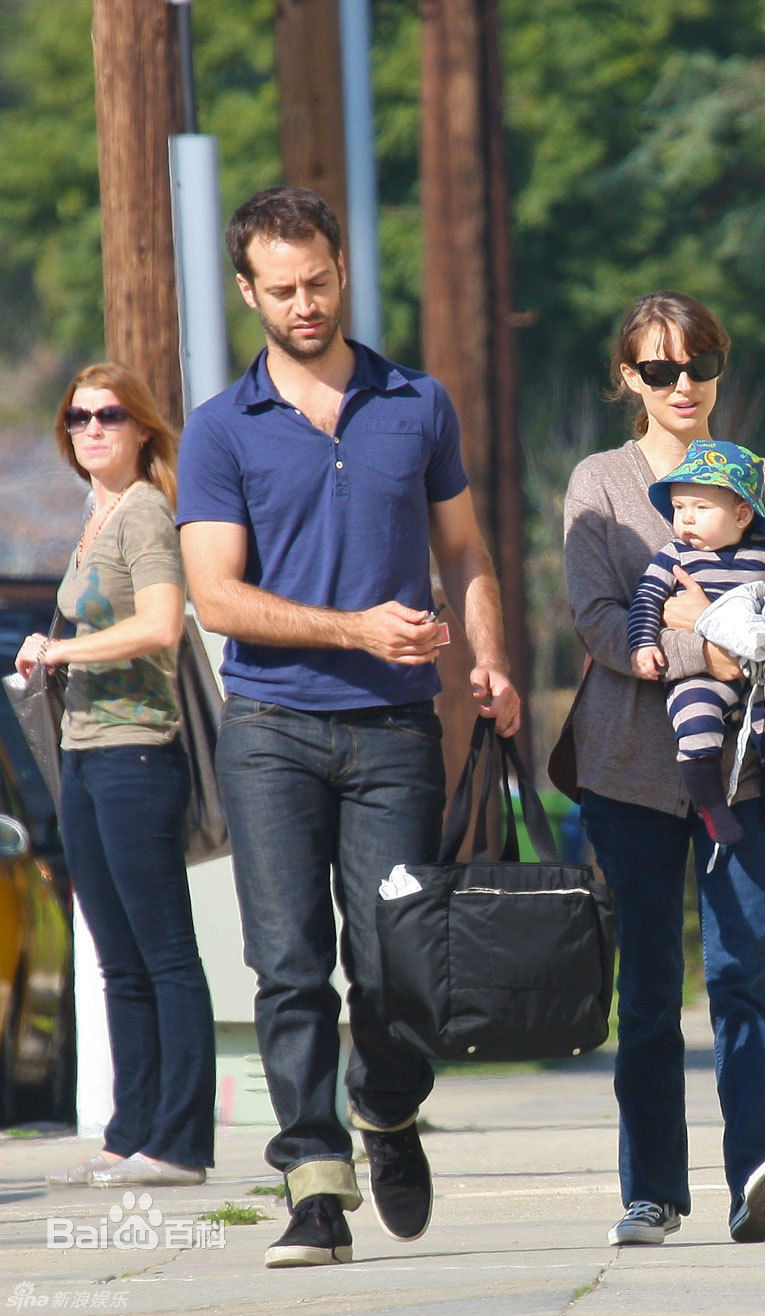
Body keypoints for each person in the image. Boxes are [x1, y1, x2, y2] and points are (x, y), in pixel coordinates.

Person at [176, 186, 520, 1269]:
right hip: (272, 727)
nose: (304, 302)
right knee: (287, 962)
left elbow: (462, 550)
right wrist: (353, 629)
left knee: (396, 966)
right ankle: (314, 1184)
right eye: (280, 289)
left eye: (318, 279)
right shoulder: (221, 428)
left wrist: (492, 659)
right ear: (248, 293)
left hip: (396, 733)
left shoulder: (415, 402)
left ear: (342, 269)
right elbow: (218, 597)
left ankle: (384, 1106)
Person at [564, 290, 765, 1246]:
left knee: (744, 976)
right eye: (661, 369)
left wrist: (695, 620)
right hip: (628, 769)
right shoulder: (599, 483)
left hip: (749, 770)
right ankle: (651, 1190)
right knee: (650, 989)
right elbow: (596, 620)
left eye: (699, 365)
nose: (684, 385)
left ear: (719, 369)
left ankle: (757, 1165)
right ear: (628, 377)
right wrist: (706, 645)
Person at [15, 362, 215, 1189]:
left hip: (138, 751)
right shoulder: (95, 517)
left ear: (140, 429)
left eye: (107, 416)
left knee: (165, 953)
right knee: (117, 959)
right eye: (77, 418)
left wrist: (57, 646)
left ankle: (181, 1141)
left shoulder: (143, 514)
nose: (90, 429)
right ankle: (130, 1131)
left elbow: (162, 625)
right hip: (88, 754)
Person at [627, 438, 765, 851]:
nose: (686, 520)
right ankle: (713, 807)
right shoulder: (673, 556)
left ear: (741, 514)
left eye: (701, 509)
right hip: (701, 675)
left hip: (758, 676)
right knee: (696, 725)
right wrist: (642, 645)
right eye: (679, 508)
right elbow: (645, 601)